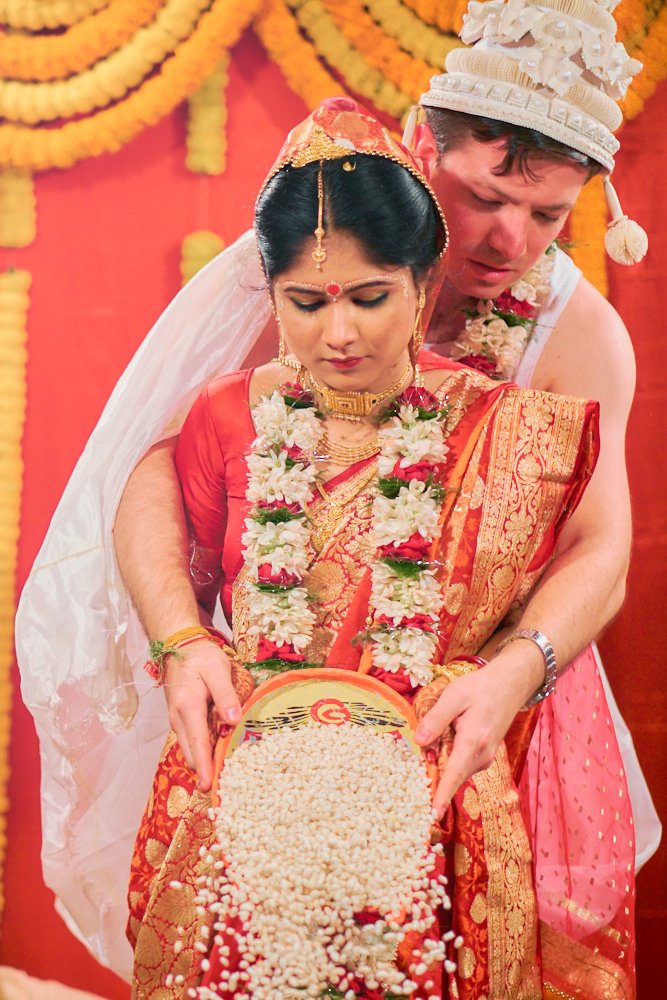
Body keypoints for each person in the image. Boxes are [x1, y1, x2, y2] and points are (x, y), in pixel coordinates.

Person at [126, 98, 628, 998]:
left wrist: (514, 671)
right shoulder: (230, 412)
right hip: (257, 778)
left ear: (423, 285)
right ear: (271, 293)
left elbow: (601, 553)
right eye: (306, 303)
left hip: (440, 779)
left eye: (369, 299)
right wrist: (183, 640)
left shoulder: (503, 422)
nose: (339, 333)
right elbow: (153, 504)